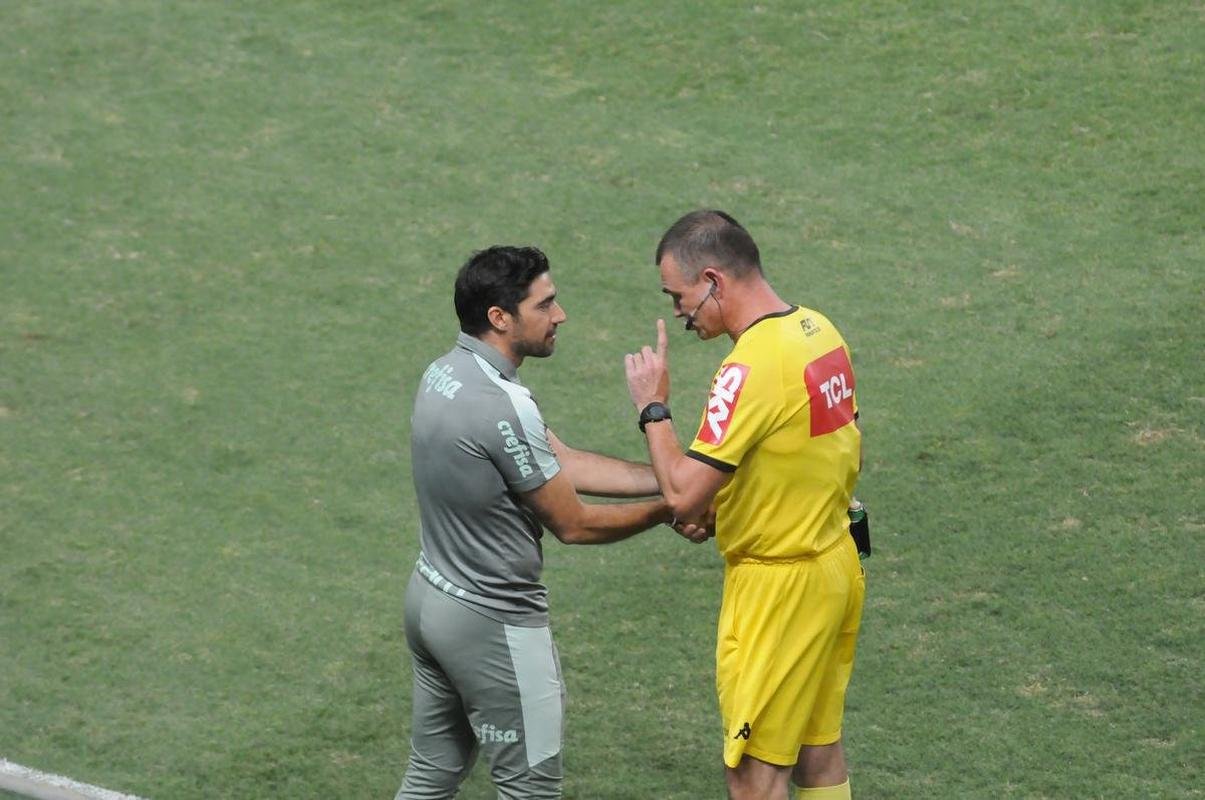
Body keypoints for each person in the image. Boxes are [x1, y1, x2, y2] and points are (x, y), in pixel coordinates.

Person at [397, 245, 704, 800]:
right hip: (492, 623)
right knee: (530, 789)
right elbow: (575, 524)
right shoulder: (501, 404)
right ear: (500, 317)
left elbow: (555, 461)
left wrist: (676, 477)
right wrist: (670, 508)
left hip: (430, 600)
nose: (559, 315)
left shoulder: (445, 373)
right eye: (546, 303)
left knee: (431, 775)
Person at [624, 211, 866, 800]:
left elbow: (682, 491)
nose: (680, 314)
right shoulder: (819, 330)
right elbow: (818, 449)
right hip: (834, 564)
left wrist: (653, 408)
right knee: (817, 751)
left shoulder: (750, 366)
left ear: (713, 280)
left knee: (753, 777)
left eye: (679, 298)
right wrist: (728, 505)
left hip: (778, 589)